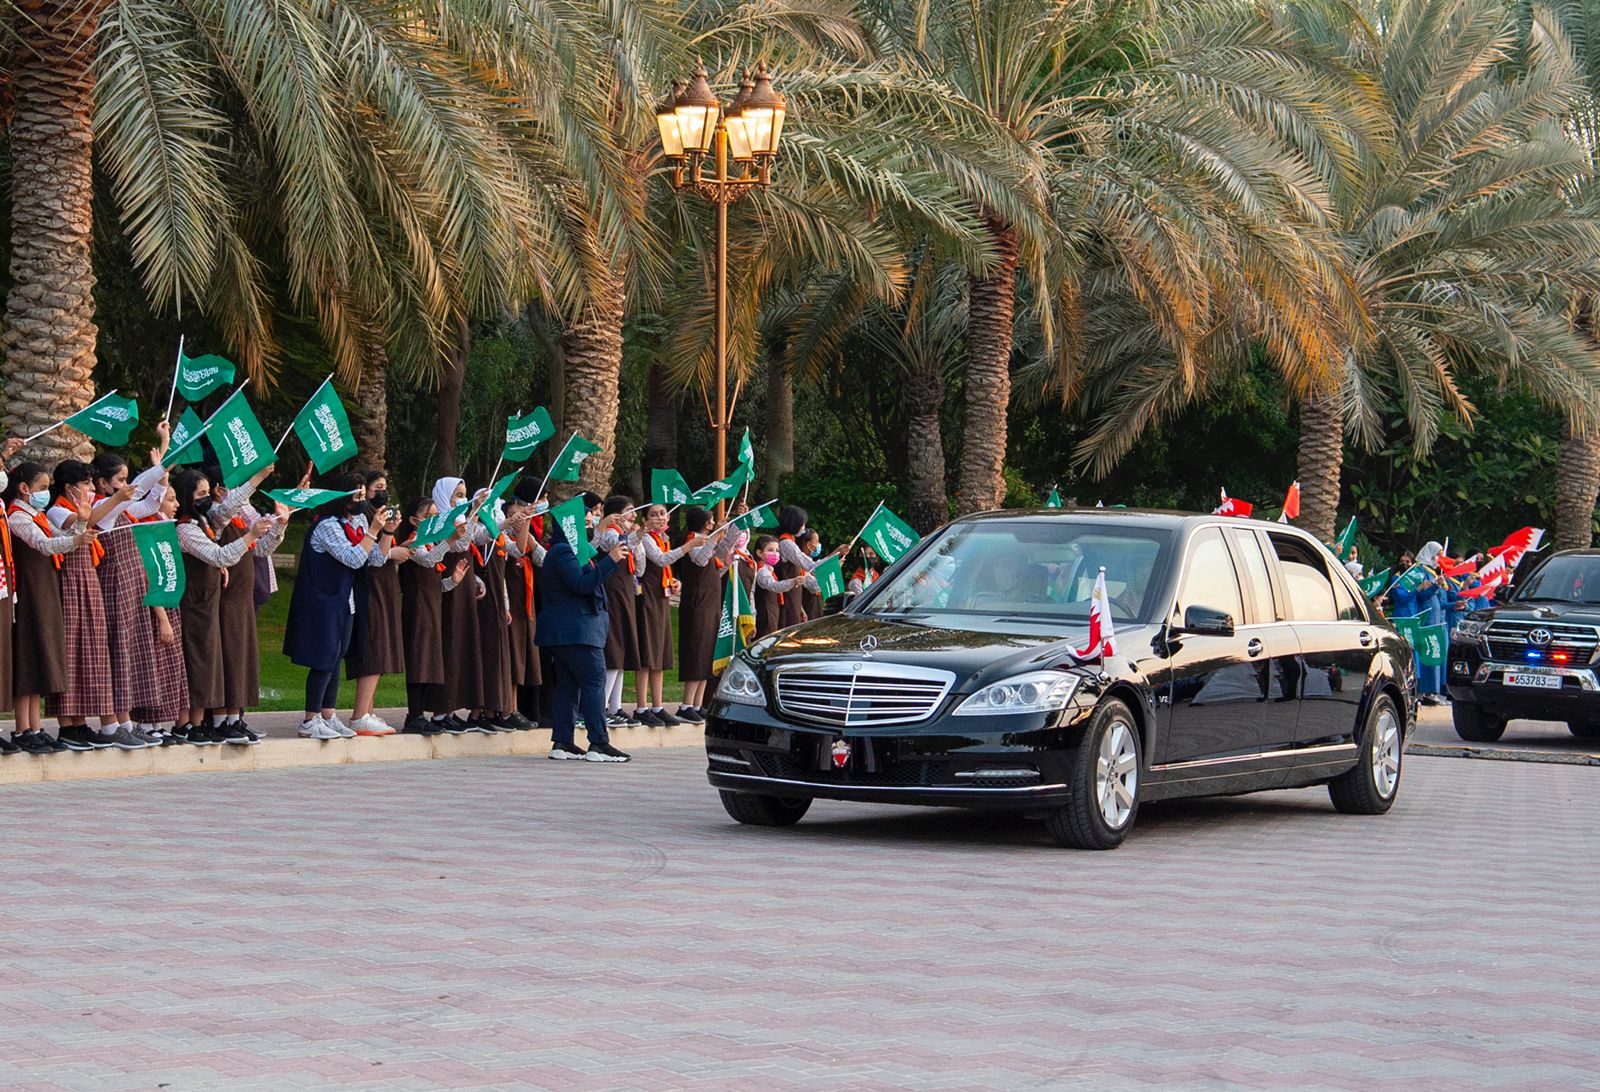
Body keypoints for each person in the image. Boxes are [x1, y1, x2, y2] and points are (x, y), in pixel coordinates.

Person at [47, 459, 144, 751]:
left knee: (92, 653)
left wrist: (160, 467)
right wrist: (114, 499)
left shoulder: (90, 503)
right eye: (85, 483)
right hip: (69, 584)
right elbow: (87, 523)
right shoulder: (56, 509)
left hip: (88, 581)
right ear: (68, 487)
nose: (90, 488)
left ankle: (81, 723)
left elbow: (144, 504)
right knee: (71, 653)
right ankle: (68, 724)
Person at [284, 473, 387, 739]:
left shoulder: (358, 522)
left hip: (346, 600)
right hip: (323, 600)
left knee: (337, 657)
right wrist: (373, 531)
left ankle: (328, 714)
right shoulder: (328, 525)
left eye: (364, 496)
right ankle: (310, 718)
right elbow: (352, 558)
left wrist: (385, 532)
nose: (362, 502)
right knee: (322, 657)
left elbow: (374, 559)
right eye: (356, 496)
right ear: (340, 497)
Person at [173, 467, 268, 744]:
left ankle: (204, 722)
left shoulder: (205, 522)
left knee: (209, 661)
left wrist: (257, 479)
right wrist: (250, 536)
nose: (206, 499)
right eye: (200, 494)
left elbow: (228, 507)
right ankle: (187, 724)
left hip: (209, 600)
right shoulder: (185, 528)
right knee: (197, 661)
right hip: (194, 602)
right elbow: (219, 556)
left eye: (206, 492)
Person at [90, 437, 172, 747]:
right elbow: (137, 489)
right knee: (117, 652)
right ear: (103, 483)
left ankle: (125, 721)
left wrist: (162, 468)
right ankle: (112, 724)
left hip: (132, 589)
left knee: (129, 653)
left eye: (126, 478)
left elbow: (150, 502)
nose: (125, 485)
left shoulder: (120, 508)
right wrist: (161, 463)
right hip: (114, 587)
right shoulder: (102, 507)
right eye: (120, 480)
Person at [4, 461, 89, 753]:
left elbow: (59, 538)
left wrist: (80, 525)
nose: (45, 493)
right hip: (28, 595)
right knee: (27, 657)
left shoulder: (37, 515)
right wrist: (76, 538)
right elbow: (43, 544)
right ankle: (22, 728)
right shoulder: (18, 518)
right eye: (41, 488)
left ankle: (36, 727)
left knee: (40, 655)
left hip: (44, 592)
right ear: (24, 489)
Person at [536, 506, 631, 761]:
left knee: (569, 686)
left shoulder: (572, 551)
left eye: (591, 522)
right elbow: (582, 584)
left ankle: (562, 741)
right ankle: (599, 743)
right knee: (594, 683)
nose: (590, 527)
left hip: (574, 631)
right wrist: (610, 560)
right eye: (586, 523)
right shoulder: (563, 551)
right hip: (575, 631)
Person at [206, 463, 286, 742]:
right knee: (226, 658)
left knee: (241, 658)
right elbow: (227, 511)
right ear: (218, 490)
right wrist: (258, 478)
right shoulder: (216, 515)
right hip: (225, 599)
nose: (240, 492)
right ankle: (218, 721)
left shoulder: (244, 516)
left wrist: (280, 526)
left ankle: (234, 718)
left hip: (243, 598)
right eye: (234, 485)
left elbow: (260, 549)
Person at [396, 495, 470, 735]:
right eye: (428, 516)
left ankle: (421, 714)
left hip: (431, 607)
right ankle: (413, 715)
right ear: (414, 520)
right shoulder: (412, 542)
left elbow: (435, 583)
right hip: (417, 608)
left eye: (436, 516)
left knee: (428, 661)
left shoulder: (431, 543)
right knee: (418, 660)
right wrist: (449, 540)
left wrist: (452, 581)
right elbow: (428, 561)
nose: (434, 520)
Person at [128, 482, 191, 744]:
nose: (176, 504)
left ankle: (160, 722)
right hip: (154, 608)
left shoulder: (166, 528)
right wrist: (162, 618)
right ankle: (145, 722)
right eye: (171, 499)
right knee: (151, 667)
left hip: (169, 604)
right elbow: (150, 575)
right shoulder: (147, 530)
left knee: (169, 668)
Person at [345, 468, 406, 735]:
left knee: (380, 646)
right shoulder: (362, 516)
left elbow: (379, 555)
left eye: (385, 486)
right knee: (372, 647)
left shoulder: (379, 515)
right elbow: (370, 555)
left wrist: (390, 531)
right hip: (367, 587)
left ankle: (368, 711)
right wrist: (393, 549)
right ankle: (360, 714)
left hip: (383, 586)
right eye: (376, 487)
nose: (382, 491)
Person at [434, 476, 488, 732]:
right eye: (457, 494)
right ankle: (440, 709)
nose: (462, 499)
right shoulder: (442, 520)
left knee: (460, 646)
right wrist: (475, 510)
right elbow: (462, 542)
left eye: (464, 494)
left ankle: (451, 708)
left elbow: (477, 539)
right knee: (449, 645)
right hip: (446, 589)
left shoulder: (460, 520)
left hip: (462, 587)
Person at [632, 502, 690, 726]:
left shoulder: (664, 540)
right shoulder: (646, 539)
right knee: (648, 652)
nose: (659, 518)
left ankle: (657, 705)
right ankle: (641, 706)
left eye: (662, 514)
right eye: (653, 515)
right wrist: (688, 546)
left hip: (661, 596)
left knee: (660, 652)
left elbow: (667, 568)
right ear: (645, 520)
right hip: (647, 597)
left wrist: (675, 582)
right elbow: (661, 560)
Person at [674, 506, 729, 723]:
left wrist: (728, 532)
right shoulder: (693, 540)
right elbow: (701, 559)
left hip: (711, 604)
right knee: (697, 650)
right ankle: (687, 704)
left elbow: (719, 559)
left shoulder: (708, 540)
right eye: (712, 520)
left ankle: (698, 704)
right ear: (706, 523)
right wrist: (716, 536)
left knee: (707, 652)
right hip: (698, 604)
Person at [501, 481, 546, 729]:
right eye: (512, 516)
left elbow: (542, 559)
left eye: (521, 515)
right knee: (512, 656)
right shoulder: (500, 538)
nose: (517, 519)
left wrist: (527, 530)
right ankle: (509, 708)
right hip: (509, 606)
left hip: (525, 606)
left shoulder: (527, 539)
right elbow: (516, 553)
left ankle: (518, 708)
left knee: (523, 656)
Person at [598, 495, 641, 727]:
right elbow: (615, 544)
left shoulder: (624, 535)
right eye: (629, 511)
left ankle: (616, 707)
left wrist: (639, 536)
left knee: (621, 652)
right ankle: (601, 707)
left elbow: (640, 565)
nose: (634, 515)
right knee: (613, 651)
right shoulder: (610, 533)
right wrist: (639, 533)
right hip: (613, 595)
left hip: (626, 596)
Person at [775, 505, 845, 627]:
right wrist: (836, 555)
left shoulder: (791, 541)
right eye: (802, 524)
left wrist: (836, 554)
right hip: (788, 596)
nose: (803, 528)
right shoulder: (786, 543)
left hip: (794, 598)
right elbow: (811, 566)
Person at [752, 534, 809, 636]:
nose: (775, 554)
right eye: (770, 550)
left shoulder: (769, 569)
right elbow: (774, 586)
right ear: (759, 553)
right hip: (765, 615)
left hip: (772, 613)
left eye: (777, 551)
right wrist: (793, 582)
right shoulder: (762, 571)